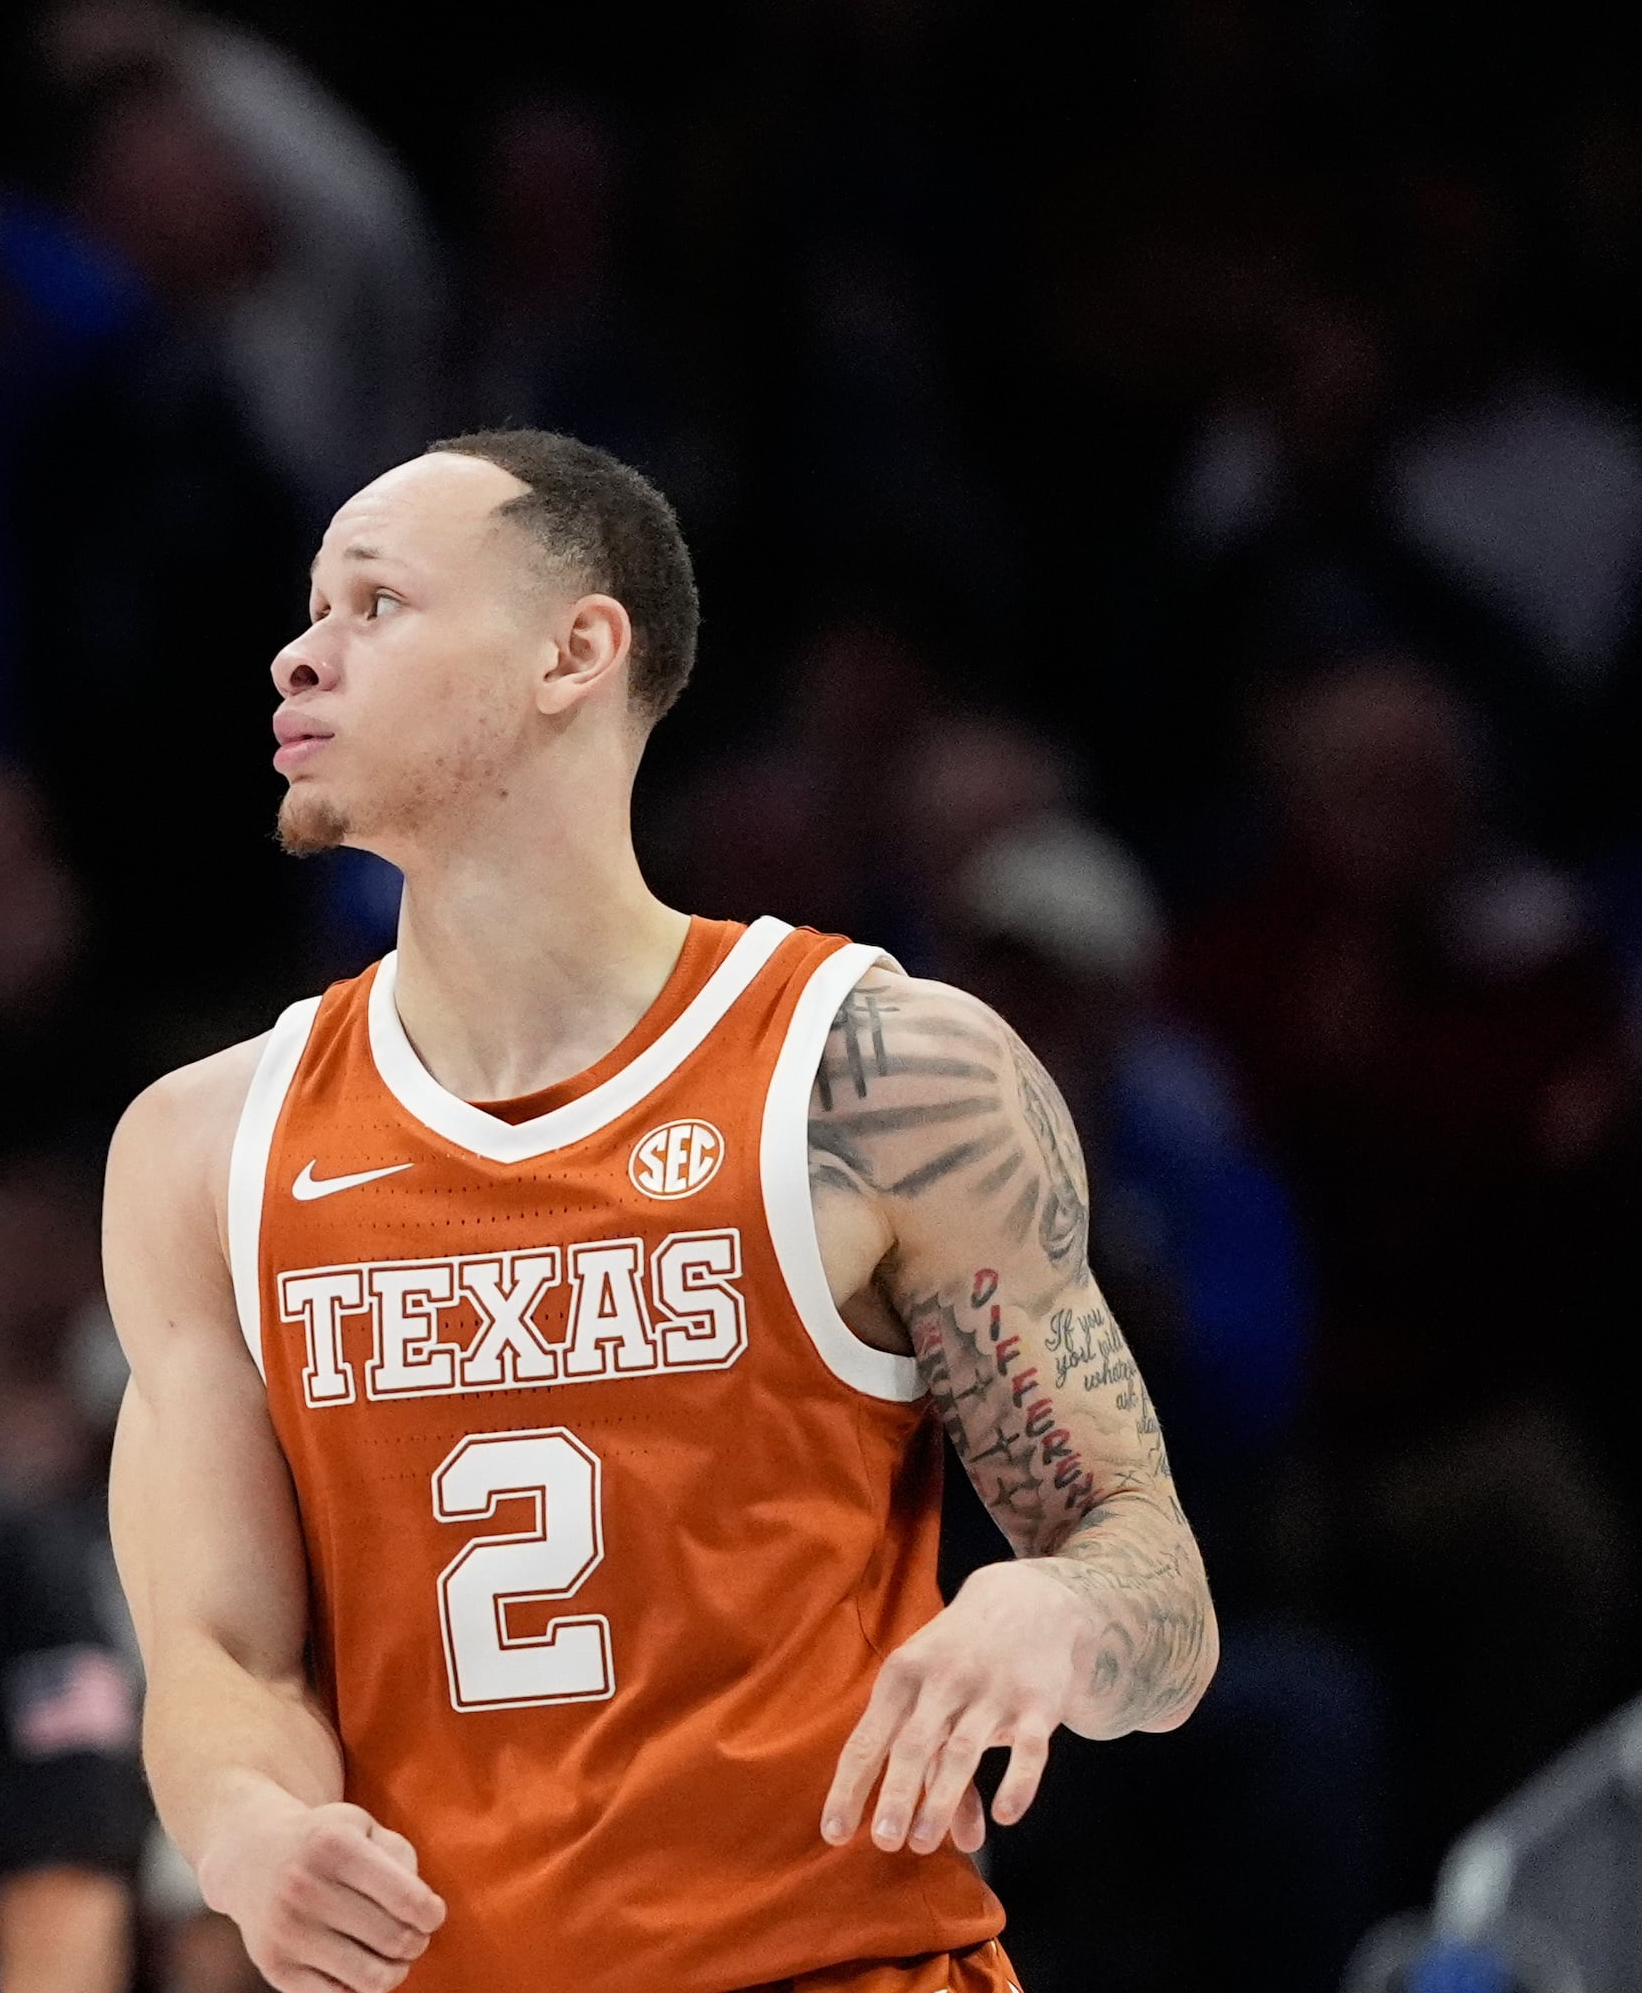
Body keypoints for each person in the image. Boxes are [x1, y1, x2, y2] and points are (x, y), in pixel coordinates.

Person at [100, 431, 1218, 1991]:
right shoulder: (204, 1147)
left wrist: (1056, 1613)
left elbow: (1153, 1581)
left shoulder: (877, 1076)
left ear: (576, 650)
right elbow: (219, 1653)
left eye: (376, 604)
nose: (300, 653)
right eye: (309, 607)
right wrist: (243, 1826)